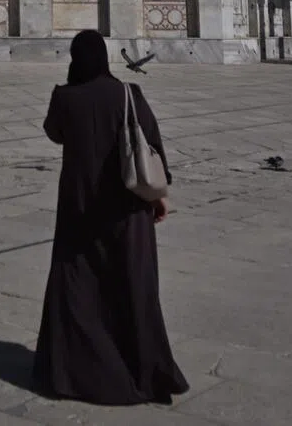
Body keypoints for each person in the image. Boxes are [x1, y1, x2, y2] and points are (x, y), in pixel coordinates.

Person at [31, 29, 188, 405]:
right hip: (128, 210)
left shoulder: (64, 97)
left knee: (78, 289)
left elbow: (54, 133)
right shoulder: (128, 93)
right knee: (133, 286)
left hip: (80, 208)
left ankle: (76, 373)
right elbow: (152, 141)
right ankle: (143, 371)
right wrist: (159, 198)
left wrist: (71, 88)